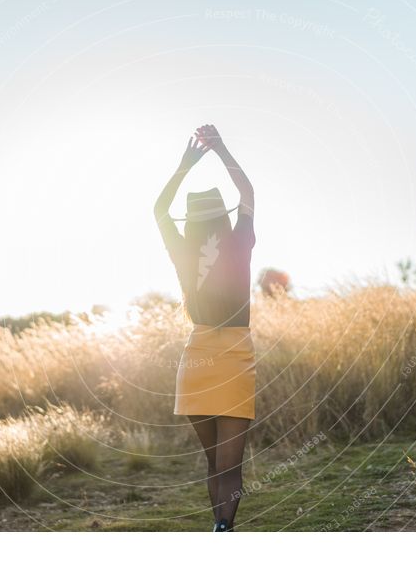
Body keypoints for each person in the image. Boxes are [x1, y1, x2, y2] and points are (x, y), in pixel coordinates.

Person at [153, 124, 256, 532]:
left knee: (215, 463)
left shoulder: (182, 250)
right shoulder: (238, 242)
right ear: (222, 218)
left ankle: (219, 531)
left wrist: (184, 165)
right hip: (234, 357)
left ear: (192, 224)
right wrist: (222, 150)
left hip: (196, 358)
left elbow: (159, 210)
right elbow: (247, 193)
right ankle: (223, 530)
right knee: (229, 465)